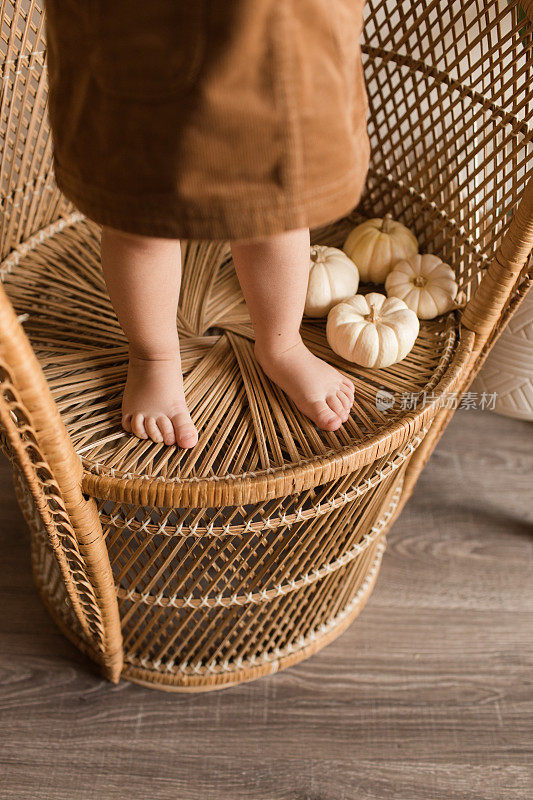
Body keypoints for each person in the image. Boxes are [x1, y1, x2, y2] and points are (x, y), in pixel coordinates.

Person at [44, 0, 371, 448]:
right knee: (139, 214)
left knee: (277, 206)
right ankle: (153, 356)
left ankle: (282, 344)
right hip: (137, 34)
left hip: (287, 31)